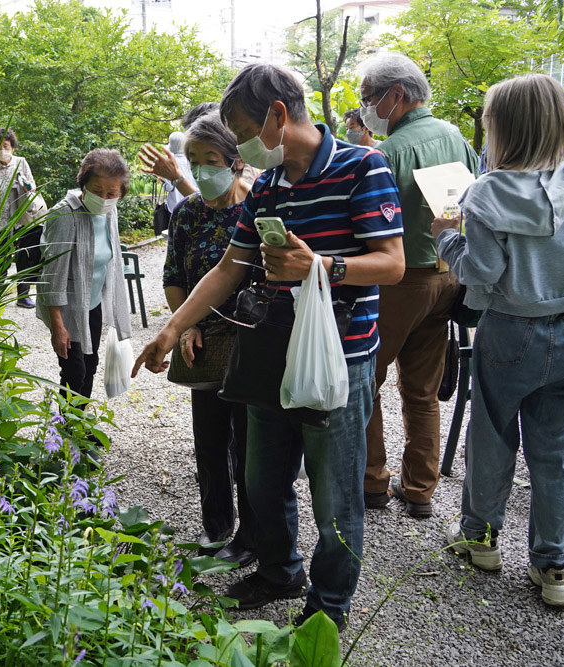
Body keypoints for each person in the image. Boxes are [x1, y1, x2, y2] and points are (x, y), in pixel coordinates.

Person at [134, 63, 405, 629]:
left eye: (243, 134)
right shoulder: (269, 185)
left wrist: (322, 265)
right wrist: (174, 326)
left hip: (341, 358)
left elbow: (393, 263)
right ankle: (281, 569)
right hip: (271, 352)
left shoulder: (363, 167)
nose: (244, 152)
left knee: (335, 497)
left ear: (278, 116)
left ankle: (328, 608)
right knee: (262, 478)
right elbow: (231, 267)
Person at [433, 73, 564, 607]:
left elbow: (480, 271)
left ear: (504, 127)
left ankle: (480, 538)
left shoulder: (488, 190)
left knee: (493, 436)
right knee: (554, 453)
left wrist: (446, 235)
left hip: (507, 332)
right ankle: (553, 568)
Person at [357, 53, 481, 519]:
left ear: (397, 96)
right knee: (422, 390)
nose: (367, 107)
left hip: (399, 282)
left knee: (364, 379)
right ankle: (420, 490)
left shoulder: (386, 154)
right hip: (448, 275)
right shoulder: (455, 136)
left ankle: (372, 482)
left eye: (370, 98)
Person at [163, 112, 255, 566]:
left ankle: (254, 534)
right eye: (193, 160)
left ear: (236, 161)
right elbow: (173, 276)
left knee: (251, 443)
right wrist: (187, 323)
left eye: (211, 159)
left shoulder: (256, 209)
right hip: (203, 344)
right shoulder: (186, 214)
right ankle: (217, 523)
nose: (201, 169)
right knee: (210, 439)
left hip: (253, 341)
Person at [36, 148, 133, 399]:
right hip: (67, 307)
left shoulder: (110, 212)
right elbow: (52, 275)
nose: (103, 198)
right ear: (83, 184)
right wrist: (58, 326)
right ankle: (65, 427)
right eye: (97, 191)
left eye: (111, 193)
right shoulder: (64, 214)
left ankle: (78, 427)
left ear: (120, 195)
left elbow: (109, 261)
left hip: (93, 303)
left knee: (90, 365)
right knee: (74, 370)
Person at [0, 128, 42, 309]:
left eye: (6, 146)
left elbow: (33, 187)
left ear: (13, 147)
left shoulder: (21, 163)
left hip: (21, 217)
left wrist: (25, 185)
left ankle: (23, 296)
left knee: (24, 257)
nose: (2, 149)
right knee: (1, 259)